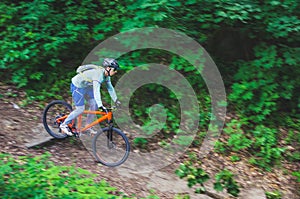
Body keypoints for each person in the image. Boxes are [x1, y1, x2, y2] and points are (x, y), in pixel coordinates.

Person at [60, 58, 121, 136]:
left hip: (86, 86)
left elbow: (110, 88)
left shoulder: (107, 75)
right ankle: (64, 124)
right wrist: (100, 105)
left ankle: (87, 127)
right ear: (108, 68)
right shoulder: (98, 75)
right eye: (114, 69)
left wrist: (116, 100)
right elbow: (96, 91)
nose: (116, 72)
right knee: (80, 109)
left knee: (94, 105)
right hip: (77, 86)